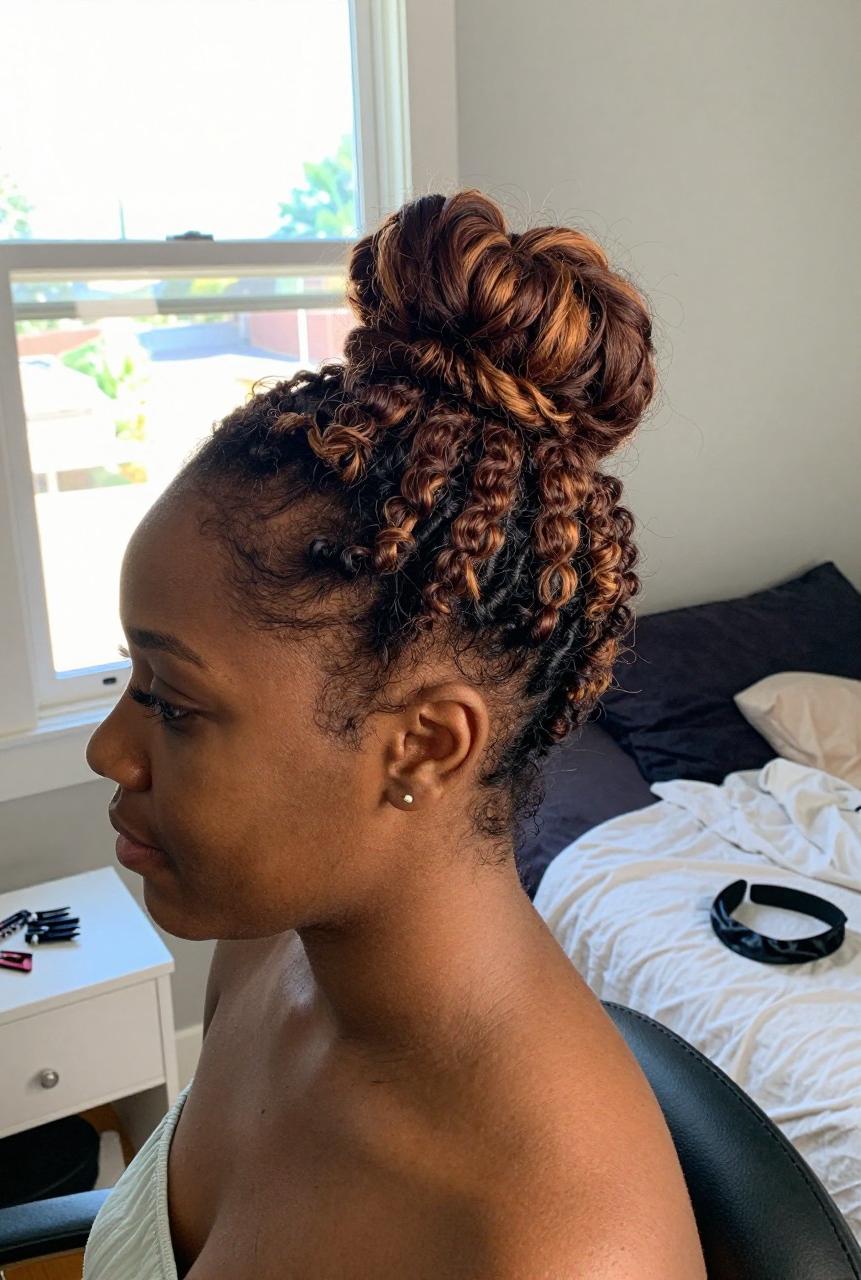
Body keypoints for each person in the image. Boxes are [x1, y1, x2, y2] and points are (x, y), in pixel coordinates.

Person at [82, 189, 706, 1279]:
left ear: (424, 744)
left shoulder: (553, 1249)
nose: (109, 749)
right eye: (132, 681)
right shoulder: (267, 941)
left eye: (172, 702)